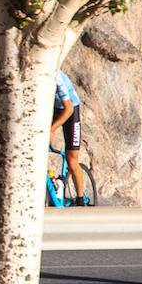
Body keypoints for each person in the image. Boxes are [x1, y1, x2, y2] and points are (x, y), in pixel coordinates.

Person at [52, 69, 88, 204]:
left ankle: (80, 199)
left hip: (70, 109)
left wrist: (52, 129)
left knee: (71, 159)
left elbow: (68, 109)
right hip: (52, 107)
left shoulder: (57, 77)